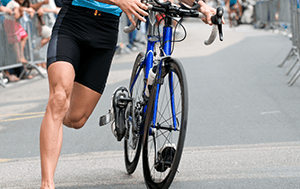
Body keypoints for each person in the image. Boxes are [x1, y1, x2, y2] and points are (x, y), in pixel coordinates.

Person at [39, 0, 218, 188]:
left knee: (75, 119)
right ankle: (47, 183)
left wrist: (201, 6)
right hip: (73, 23)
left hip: (105, 30)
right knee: (59, 99)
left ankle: (58, 116)